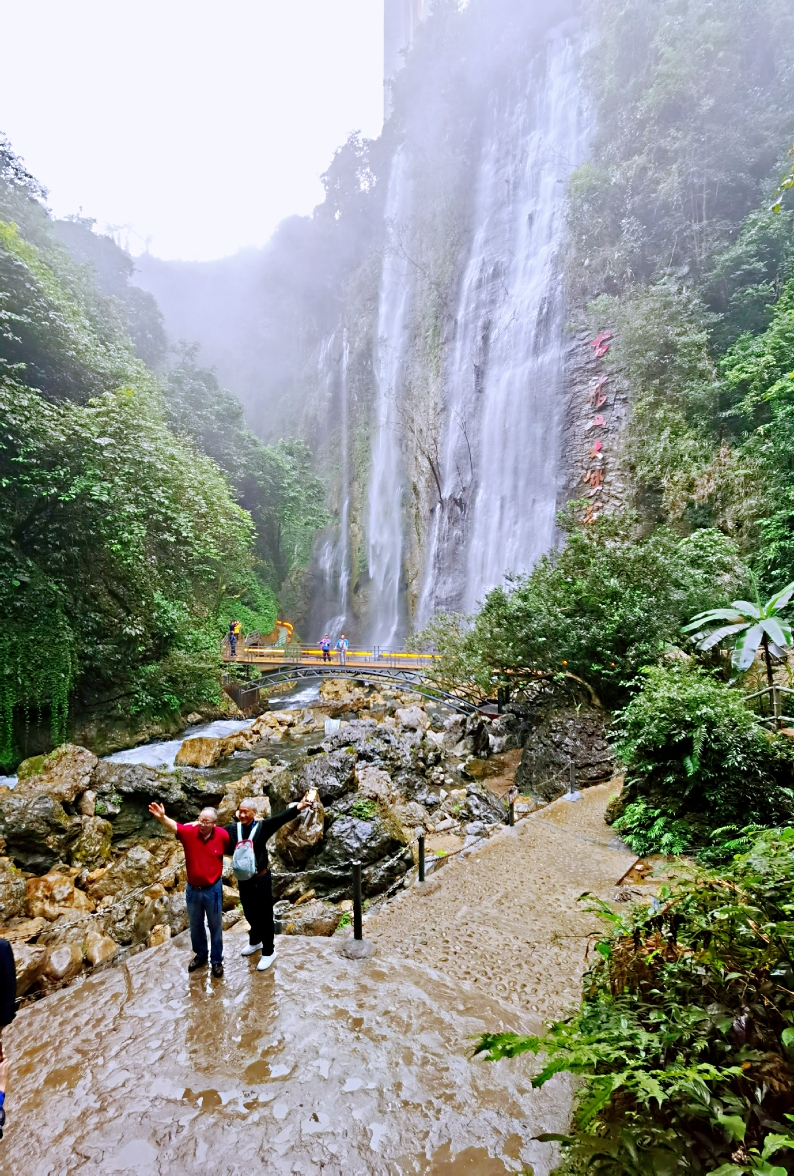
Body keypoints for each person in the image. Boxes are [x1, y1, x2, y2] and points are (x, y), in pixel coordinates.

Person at [224, 793, 312, 971]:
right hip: (243, 879)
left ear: (254, 813)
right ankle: (255, 941)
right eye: (240, 812)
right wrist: (198, 826)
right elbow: (216, 833)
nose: (242, 815)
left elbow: (280, 819)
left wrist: (299, 807)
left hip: (261, 878)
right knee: (248, 912)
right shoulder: (233, 829)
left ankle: (269, 951)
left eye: (246, 812)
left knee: (264, 915)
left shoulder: (262, 827)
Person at [147, 803, 229, 977]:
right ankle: (201, 954)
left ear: (214, 824)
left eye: (207, 821)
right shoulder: (190, 832)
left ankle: (216, 961)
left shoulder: (222, 836)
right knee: (195, 924)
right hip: (193, 889)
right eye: (200, 819)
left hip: (213, 889)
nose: (202, 823)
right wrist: (162, 817)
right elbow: (174, 826)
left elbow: (232, 848)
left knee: (215, 925)